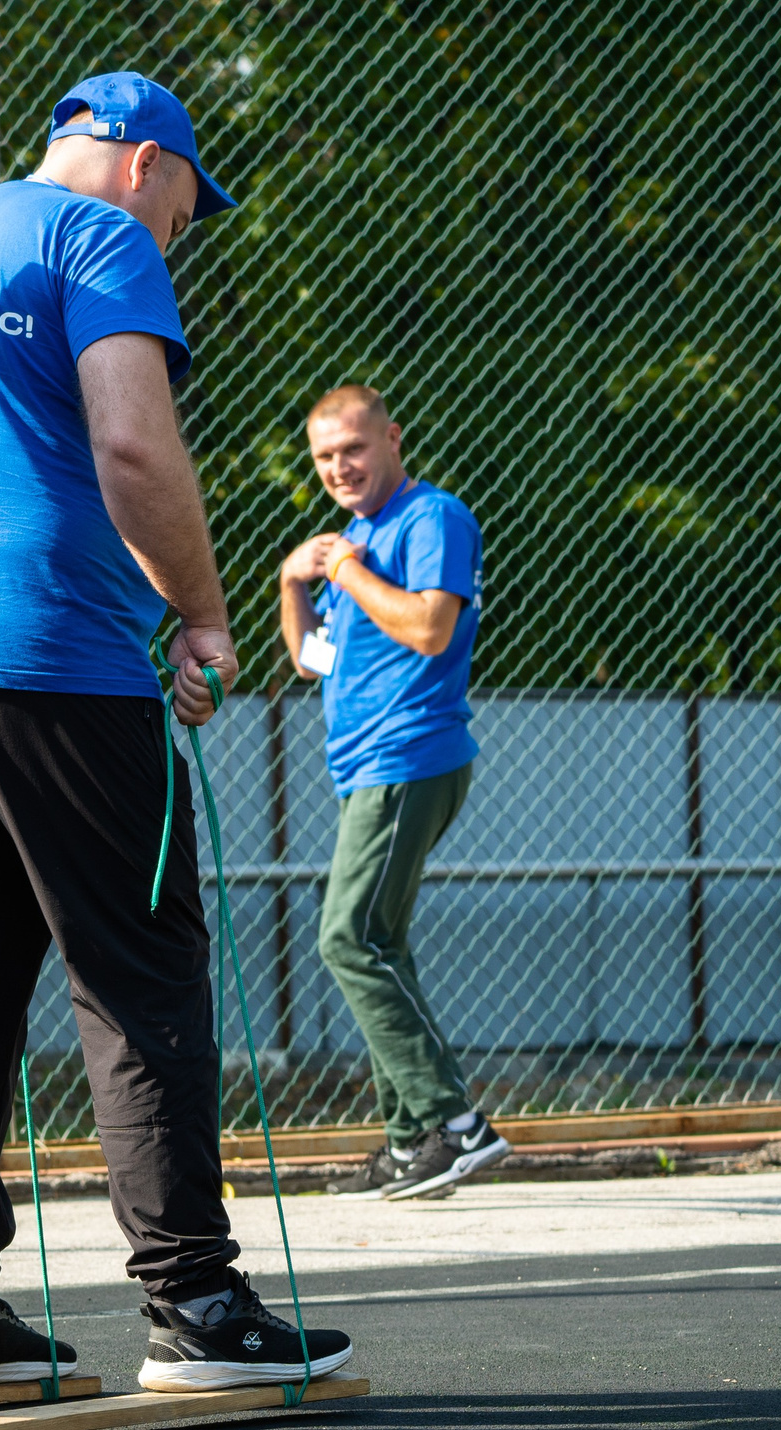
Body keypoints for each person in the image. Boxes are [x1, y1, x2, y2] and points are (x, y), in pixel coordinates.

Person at [0, 71, 353, 1397]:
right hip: (56, 662)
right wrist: (200, 612)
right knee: (137, 967)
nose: (189, 225)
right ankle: (194, 1298)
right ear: (145, 163)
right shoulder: (102, 238)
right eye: (192, 196)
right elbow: (133, 446)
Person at [277, 384, 507, 1202]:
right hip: (365, 766)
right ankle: (412, 1141)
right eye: (325, 457)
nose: (340, 467)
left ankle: (456, 1125)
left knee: (347, 939)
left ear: (392, 440)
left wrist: (342, 565)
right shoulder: (358, 539)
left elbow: (428, 627)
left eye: (354, 449)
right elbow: (313, 661)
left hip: (410, 757)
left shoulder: (429, 519)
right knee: (380, 942)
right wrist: (293, 580)